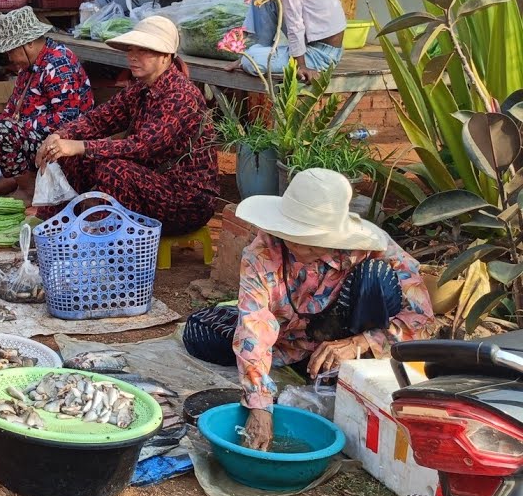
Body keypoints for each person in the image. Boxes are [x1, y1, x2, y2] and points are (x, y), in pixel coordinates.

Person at [180, 169, 433, 452]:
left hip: (349, 334)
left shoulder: (371, 250)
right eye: (293, 234)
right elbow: (256, 325)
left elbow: (421, 320)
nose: (298, 243)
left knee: (376, 278)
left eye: (309, 237)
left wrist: (358, 343)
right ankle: (305, 363)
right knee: (200, 334)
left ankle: (346, 371)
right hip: (289, 343)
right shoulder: (262, 253)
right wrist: (261, 405)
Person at [37, 16, 218, 235]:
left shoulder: (181, 95)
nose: (133, 57)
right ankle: (58, 230)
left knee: (112, 170)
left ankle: (104, 244)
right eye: (131, 50)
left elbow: (142, 146)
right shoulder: (139, 89)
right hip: (150, 182)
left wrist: (79, 146)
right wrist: (59, 136)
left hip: (187, 200)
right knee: (71, 158)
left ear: (166, 56)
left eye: (143, 51)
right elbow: (99, 119)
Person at [0, 8, 93, 196]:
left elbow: (68, 119)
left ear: (29, 44)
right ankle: (17, 182)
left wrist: (17, 126)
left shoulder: (58, 64)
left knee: (0, 129)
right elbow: (11, 110)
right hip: (36, 136)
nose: (9, 58)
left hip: (65, 140)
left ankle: (29, 191)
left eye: (11, 51)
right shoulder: (29, 67)